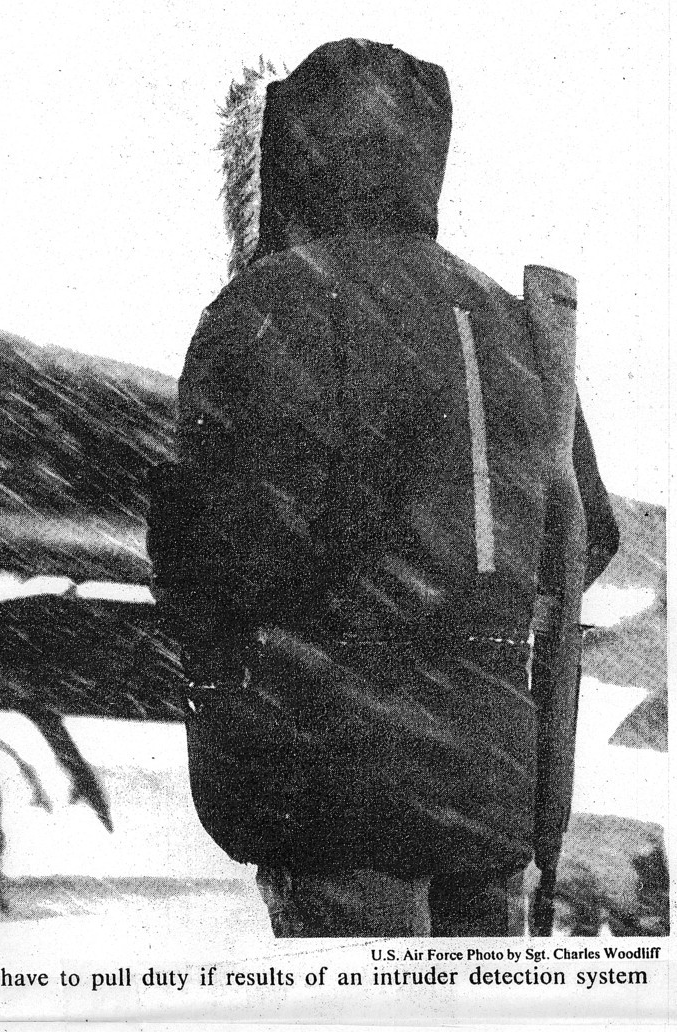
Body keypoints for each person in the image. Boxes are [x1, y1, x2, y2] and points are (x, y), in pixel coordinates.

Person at [147, 39, 620, 936]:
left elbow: (237, 549)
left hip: (333, 779)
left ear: (300, 151)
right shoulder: (515, 328)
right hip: (490, 786)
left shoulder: (272, 302)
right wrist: (466, 625)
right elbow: (585, 537)